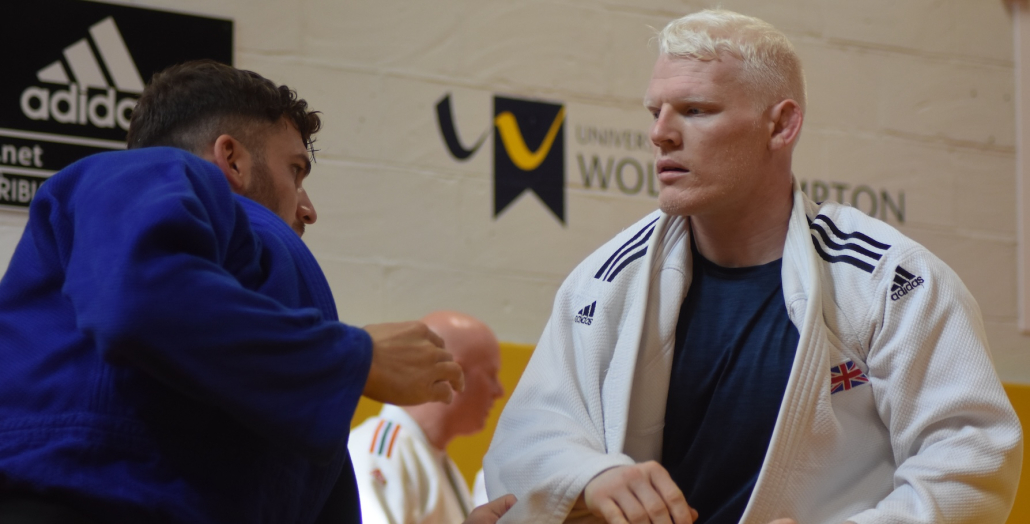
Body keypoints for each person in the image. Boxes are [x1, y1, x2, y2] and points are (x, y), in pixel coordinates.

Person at [484, 9, 1022, 524]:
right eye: (656, 112)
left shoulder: (887, 280)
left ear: (781, 125)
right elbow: (529, 434)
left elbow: (972, 459)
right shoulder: (607, 280)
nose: (661, 134)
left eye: (695, 110)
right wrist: (589, 476)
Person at [0, 60, 465, 524]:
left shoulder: (273, 358)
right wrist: (356, 358)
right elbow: (141, 301)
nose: (308, 209)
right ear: (232, 158)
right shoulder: (149, 170)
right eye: (295, 171)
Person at [351, 311, 505, 524]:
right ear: (453, 373)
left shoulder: (437, 460)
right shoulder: (382, 452)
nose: (500, 391)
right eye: (491, 375)